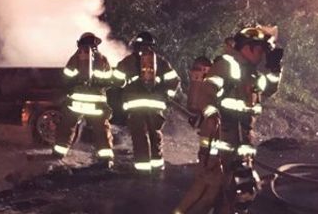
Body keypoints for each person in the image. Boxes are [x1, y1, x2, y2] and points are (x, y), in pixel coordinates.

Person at [174, 25, 284, 214]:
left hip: (242, 145)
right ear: (248, 47)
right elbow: (207, 92)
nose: (262, 55)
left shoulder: (253, 74)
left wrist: (275, 70)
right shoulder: (227, 64)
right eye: (260, 50)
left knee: (239, 193)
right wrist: (211, 114)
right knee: (209, 192)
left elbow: (269, 90)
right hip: (219, 141)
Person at [114, 31, 180, 173]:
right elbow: (174, 80)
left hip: (135, 106)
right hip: (155, 106)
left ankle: (143, 169)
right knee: (155, 135)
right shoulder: (161, 62)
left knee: (140, 136)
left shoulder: (128, 61)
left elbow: (117, 80)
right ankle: (157, 167)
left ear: (135, 45)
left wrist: (125, 83)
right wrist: (166, 95)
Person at [52, 32, 118, 168]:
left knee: (67, 126)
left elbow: (66, 76)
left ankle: (59, 153)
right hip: (97, 103)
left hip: (76, 102)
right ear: (95, 44)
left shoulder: (75, 57)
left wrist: (73, 87)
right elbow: (109, 80)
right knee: (101, 129)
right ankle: (106, 158)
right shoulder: (102, 59)